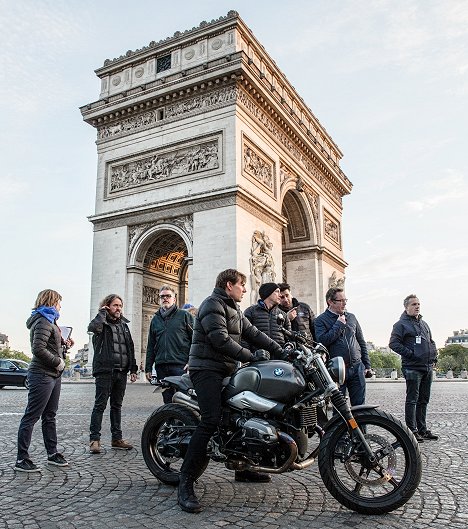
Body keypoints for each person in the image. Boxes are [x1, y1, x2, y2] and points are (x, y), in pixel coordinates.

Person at [178, 269, 283, 513]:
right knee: (211, 421)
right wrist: (250, 356)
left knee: (243, 415)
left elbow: (255, 334)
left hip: (225, 368)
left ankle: (244, 469)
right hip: (205, 369)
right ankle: (186, 481)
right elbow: (220, 340)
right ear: (229, 285)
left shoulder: (233, 307)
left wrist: (282, 350)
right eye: (242, 285)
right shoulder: (212, 305)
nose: (245, 289)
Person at [15, 289, 74, 472]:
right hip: (42, 374)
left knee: (50, 416)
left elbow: (48, 345)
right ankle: (21, 459)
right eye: (59, 303)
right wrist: (58, 362)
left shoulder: (50, 321)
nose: (60, 306)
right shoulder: (42, 321)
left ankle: (52, 453)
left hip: (52, 375)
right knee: (31, 416)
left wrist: (64, 344)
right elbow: (38, 349)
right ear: (51, 301)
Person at [88, 294, 138, 454]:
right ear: (107, 306)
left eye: (120, 306)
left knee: (116, 406)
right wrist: (101, 313)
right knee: (100, 406)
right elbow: (93, 328)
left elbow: (129, 346)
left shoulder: (124, 325)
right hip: (105, 370)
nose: (119, 309)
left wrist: (133, 368)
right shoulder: (101, 324)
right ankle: (94, 440)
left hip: (121, 371)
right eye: (115, 305)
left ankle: (117, 439)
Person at [389, 294, 438, 442]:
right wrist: (411, 354)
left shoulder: (424, 324)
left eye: (418, 304)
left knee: (424, 399)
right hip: (412, 367)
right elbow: (393, 344)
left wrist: (434, 357)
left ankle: (422, 429)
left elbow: (431, 341)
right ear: (406, 307)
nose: (417, 306)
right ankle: (412, 431)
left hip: (427, 366)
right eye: (414, 304)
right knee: (412, 399)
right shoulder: (400, 325)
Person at [314, 287, 372, 406]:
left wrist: (367, 365)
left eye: (345, 300)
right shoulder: (320, 320)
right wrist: (338, 324)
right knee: (340, 410)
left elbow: (361, 341)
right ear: (330, 302)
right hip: (336, 371)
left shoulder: (352, 317)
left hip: (357, 368)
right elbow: (322, 341)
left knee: (361, 408)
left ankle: (361, 426)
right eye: (341, 300)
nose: (345, 303)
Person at [145, 286, 194, 403]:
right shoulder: (155, 320)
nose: (165, 298)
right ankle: (171, 421)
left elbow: (196, 340)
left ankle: (183, 421)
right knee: (167, 400)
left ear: (174, 299)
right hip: (161, 366)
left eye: (168, 296)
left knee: (182, 399)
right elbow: (151, 344)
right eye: (162, 296)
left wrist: (191, 361)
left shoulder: (185, 316)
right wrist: (148, 367)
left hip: (180, 365)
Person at [243, 282, 291, 354]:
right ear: (268, 293)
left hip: (280, 359)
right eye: (277, 292)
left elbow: (290, 337)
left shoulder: (283, 314)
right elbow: (244, 337)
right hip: (259, 360)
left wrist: (289, 347)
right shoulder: (250, 312)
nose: (280, 295)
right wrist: (248, 356)